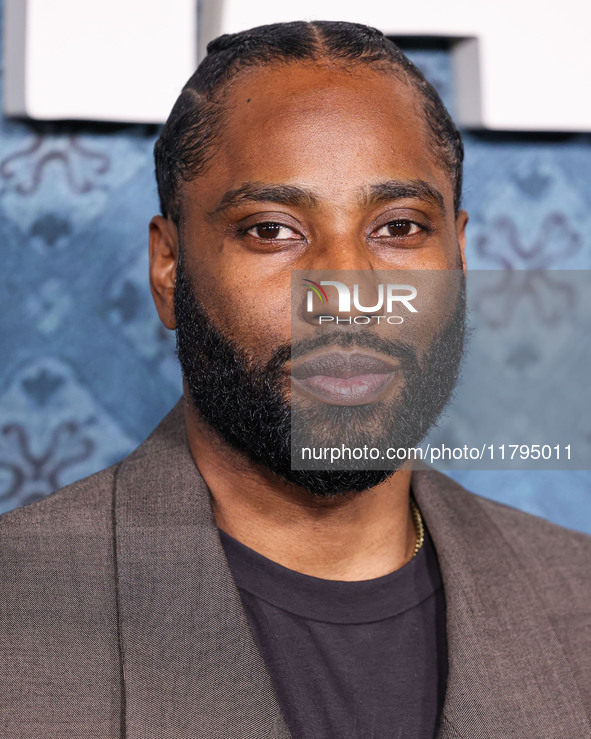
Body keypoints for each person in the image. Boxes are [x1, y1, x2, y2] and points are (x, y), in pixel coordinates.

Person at [0, 20, 589, 739]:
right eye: (271, 229)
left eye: (398, 228)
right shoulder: (18, 611)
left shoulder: (575, 599)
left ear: (459, 261)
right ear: (168, 269)